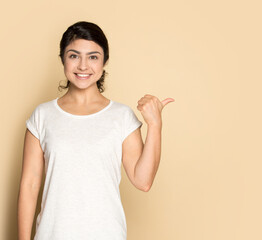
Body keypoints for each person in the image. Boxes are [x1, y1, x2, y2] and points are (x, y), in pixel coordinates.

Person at [17, 21, 174, 240]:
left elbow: (143, 181)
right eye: (74, 56)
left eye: (93, 57)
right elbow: (30, 184)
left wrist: (155, 125)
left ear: (104, 61)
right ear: (62, 58)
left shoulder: (121, 116)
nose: (83, 66)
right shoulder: (42, 115)